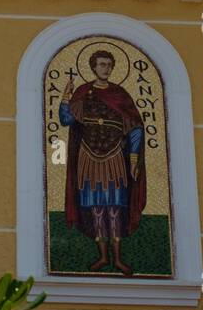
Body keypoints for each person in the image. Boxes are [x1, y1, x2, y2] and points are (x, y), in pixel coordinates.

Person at [59, 50, 146, 275]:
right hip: (89, 156)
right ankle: (103, 256)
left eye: (109, 65)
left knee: (115, 207)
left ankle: (117, 259)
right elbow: (66, 119)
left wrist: (134, 157)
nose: (105, 69)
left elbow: (136, 126)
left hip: (115, 156)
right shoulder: (83, 92)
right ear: (93, 67)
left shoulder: (120, 95)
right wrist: (65, 98)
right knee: (96, 207)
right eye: (101, 65)